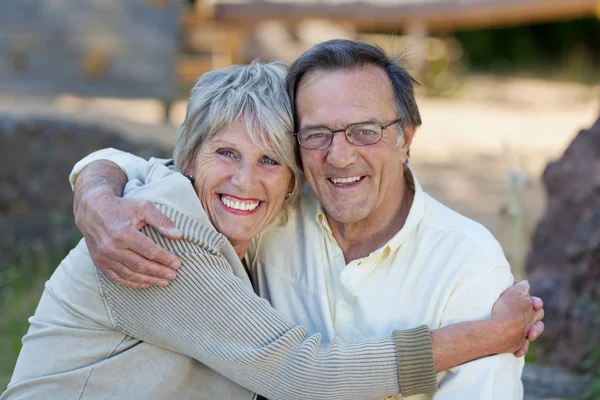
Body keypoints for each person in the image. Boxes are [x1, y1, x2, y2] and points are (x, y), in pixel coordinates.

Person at [3, 61, 541, 400]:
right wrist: (489, 334)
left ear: (291, 180)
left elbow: (136, 163)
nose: (245, 180)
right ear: (189, 158)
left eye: (269, 160)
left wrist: (96, 180)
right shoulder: (158, 232)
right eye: (225, 153)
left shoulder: (251, 217)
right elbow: (304, 376)